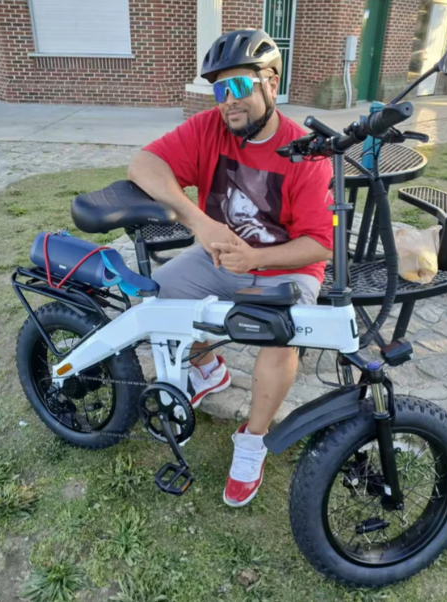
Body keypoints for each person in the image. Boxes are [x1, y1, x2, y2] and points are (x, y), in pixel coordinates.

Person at [127, 29, 334, 507]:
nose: (227, 101)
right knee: (157, 298)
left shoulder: (305, 151)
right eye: (219, 89)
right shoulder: (208, 128)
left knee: (280, 334)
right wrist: (199, 221)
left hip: (285, 265)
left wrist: (257, 258)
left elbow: (320, 245)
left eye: (239, 86)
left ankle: (253, 438)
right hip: (218, 255)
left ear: (271, 83)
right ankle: (207, 369)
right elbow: (143, 165)